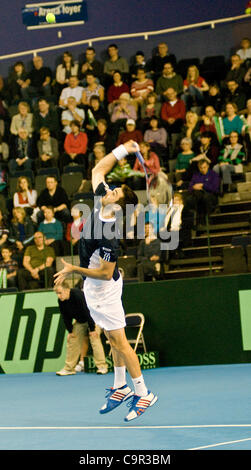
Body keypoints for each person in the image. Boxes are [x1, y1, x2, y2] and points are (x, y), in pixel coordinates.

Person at [54, 139, 158, 422]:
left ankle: (143, 392)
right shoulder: (103, 199)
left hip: (104, 287)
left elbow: (103, 272)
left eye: (116, 191)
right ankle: (120, 386)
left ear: (118, 203)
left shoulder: (110, 235)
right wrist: (124, 148)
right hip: (93, 285)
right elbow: (99, 169)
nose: (109, 189)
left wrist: (72, 270)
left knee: (121, 342)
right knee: (112, 339)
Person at [55, 281, 108, 375]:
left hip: (93, 318)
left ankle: (102, 366)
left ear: (67, 290)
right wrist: (70, 331)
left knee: (94, 338)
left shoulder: (77, 295)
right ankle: (69, 369)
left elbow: (88, 311)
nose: (59, 295)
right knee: (72, 339)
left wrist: (92, 329)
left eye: (60, 293)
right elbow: (65, 317)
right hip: (80, 321)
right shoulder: (61, 301)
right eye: (57, 293)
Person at [187, 159, 220, 223]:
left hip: (210, 195)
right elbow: (190, 187)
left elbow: (215, 189)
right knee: (189, 199)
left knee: (204, 198)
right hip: (197, 195)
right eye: (201, 168)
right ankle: (195, 221)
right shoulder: (196, 175)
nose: (203, 169)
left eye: (204, 167)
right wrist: (194, 187)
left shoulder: (214, 175)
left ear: (208, 166)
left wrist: (203, 185)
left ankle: (206, 220)